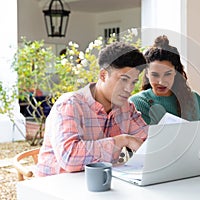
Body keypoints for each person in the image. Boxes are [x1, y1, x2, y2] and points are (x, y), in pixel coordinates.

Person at [36, 42, 148, 177]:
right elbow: (69, 158)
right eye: (123, 80)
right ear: (103, 75)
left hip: (99, 183)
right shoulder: (69, 104)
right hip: (55, 185)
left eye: (133, 82)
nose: (129, 89)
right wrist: (122, 140)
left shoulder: (126, 108)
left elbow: (149, 141)